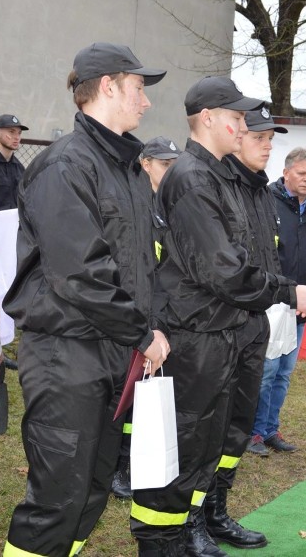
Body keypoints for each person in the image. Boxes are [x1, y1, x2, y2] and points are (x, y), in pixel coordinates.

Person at [130, 76, 306, 557]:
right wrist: (287, 292)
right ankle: (168, 538)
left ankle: (192, 524)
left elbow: (252, 258)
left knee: (215, 438)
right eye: (238, 120)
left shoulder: (222, 178)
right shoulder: (194, 179)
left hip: (232, 329)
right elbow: (224, 270)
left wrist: (278, 292)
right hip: (200, 334)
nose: (244, 130)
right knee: (187, 443)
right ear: (211, 119)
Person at [2, 42, 170, 557]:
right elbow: (81, 274)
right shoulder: (65, 166)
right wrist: (143, 333)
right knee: (57, 499)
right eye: (139, 88)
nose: (145, 102)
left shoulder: (126, 170)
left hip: (112, 352)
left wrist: (150, 329)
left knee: (94, 489)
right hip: (65, 356)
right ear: (108, 87)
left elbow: (141, 265)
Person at [189, 106, 290, 549]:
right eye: (260, 137)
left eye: (271, 139)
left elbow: (266, 258)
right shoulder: (215, 185)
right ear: (237, 134)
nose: (268, 146)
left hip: (253, 322)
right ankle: (189, 519)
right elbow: (222, 268)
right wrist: (286, 292)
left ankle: (216, 511)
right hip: (216, 326)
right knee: (206, 429)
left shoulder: (261, 191)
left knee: (237, 427)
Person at [111, 135, 182, 501]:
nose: (171, 171)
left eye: (175, 164)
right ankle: (118, 467)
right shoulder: (137, 203)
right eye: (165, 164)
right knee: (128, 397)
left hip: (159, 315)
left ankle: (131, 464)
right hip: (133, 318)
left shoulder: (168, 205)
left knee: (143, 396)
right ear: (146, 164)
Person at [248, 147, 306, 455]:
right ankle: (252, 432)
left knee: (284, 372)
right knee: (266, 371)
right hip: (272, 303)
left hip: (300, 307)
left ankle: (270, 429)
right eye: (301, 174)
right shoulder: (265, 202)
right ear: (286, 173)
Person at [0, 113, 28, 211]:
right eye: (11, 132)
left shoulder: (19, 168)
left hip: (15, 223)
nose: (17, 137)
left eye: (19, 133)